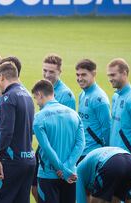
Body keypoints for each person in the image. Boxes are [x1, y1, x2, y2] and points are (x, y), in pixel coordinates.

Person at [0, 62, 35, 203]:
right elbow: (14, 121)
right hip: (28, 160)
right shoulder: (26, 95)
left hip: (10, 160)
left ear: (2, 77)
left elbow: (7, 131)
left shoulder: (8, 97)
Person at [32, 53, 77, 202]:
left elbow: (69, 130)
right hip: (44, 146)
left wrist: (64, 166)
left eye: (51, 71)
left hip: (59, 150)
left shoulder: (66, 95)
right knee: (34, 187)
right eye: (45, 70)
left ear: (60, 72)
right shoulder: (42, 89)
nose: (47, 74)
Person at [107, 58, 131, 202]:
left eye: (113, 75)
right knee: (113, 198)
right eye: (109, 75)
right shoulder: (116, 96)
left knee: (129, 199)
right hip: (114, 158)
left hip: (130, 160)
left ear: (124, 73)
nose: (110, 79)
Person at [76, 59, 111, 163]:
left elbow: (107, 128)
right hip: (81, 151)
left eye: (83, 75)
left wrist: (107, 154)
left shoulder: (99, 99)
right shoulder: (82, 94)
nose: (79, 78)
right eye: (77, 75)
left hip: (94, 154)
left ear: (93, 74)